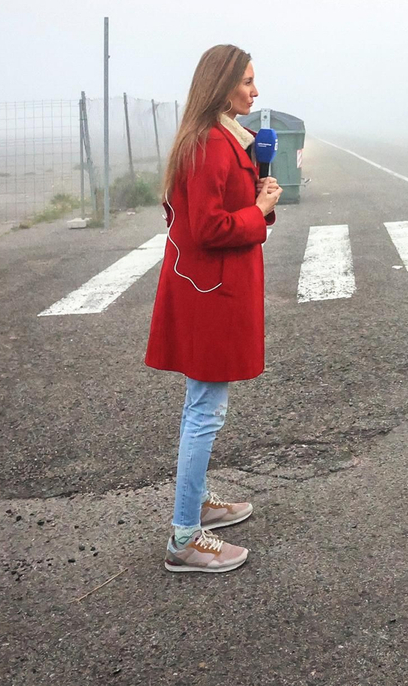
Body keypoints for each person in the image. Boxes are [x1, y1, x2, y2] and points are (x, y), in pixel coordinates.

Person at [145, 44, 282, 572]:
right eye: (247, 81)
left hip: (214, 290)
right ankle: (183, 536)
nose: (254, 90)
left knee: (201, 405)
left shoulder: (220, 141)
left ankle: (195, 502)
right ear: (222, 86)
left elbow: (223, 215)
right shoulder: (209, 145)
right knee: (206, 411)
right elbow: (209, 228)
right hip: (211, 296)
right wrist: (260, 210)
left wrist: (256, 205)